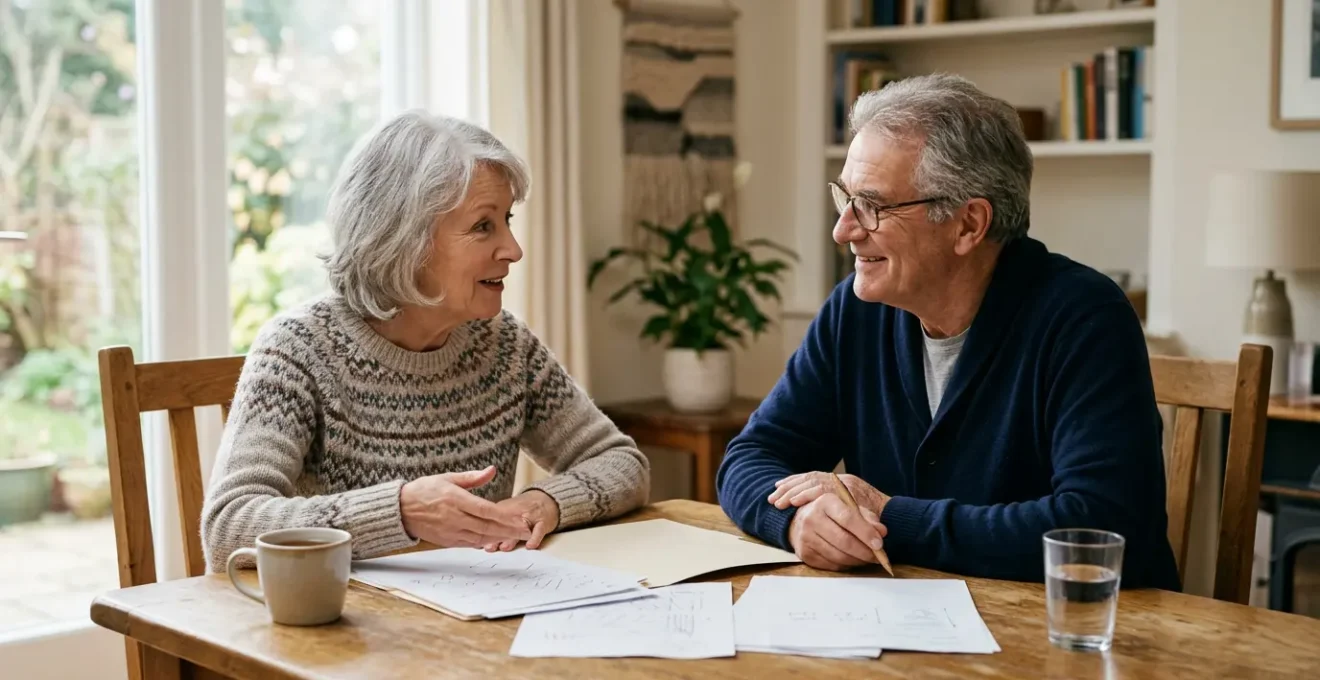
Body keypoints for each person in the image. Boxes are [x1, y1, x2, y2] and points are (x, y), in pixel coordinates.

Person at [716, 74, 1180, 591]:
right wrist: (797, 520)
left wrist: (890, 517)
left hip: (1080, 625)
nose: (843, 229)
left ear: (968, 225)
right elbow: (749, 458)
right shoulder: (856, 310)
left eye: (872, 206)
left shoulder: (1084, 317)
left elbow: (1103, 525)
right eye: (844, 198)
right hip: (905, 619)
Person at [201, 111, 650, 573]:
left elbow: (620, 462)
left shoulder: (505, 346)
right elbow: (228, 526)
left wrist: (546, 502)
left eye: (506, 219)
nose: (513, 249)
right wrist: (401, 511)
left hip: (477, 610)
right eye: (483, 226)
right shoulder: (298, 349)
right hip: (345, 616)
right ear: (404, 239)